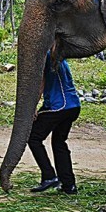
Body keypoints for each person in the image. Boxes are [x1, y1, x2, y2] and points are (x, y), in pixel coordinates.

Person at [27, 51, 81, 195]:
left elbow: (41, 82)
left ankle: (49, 175)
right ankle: (69, 185)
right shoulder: (59, 57)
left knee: (33, 137)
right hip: (73, 105)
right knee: (59, 142)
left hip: (59, 106)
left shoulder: (47, 56)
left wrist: (32, 106)